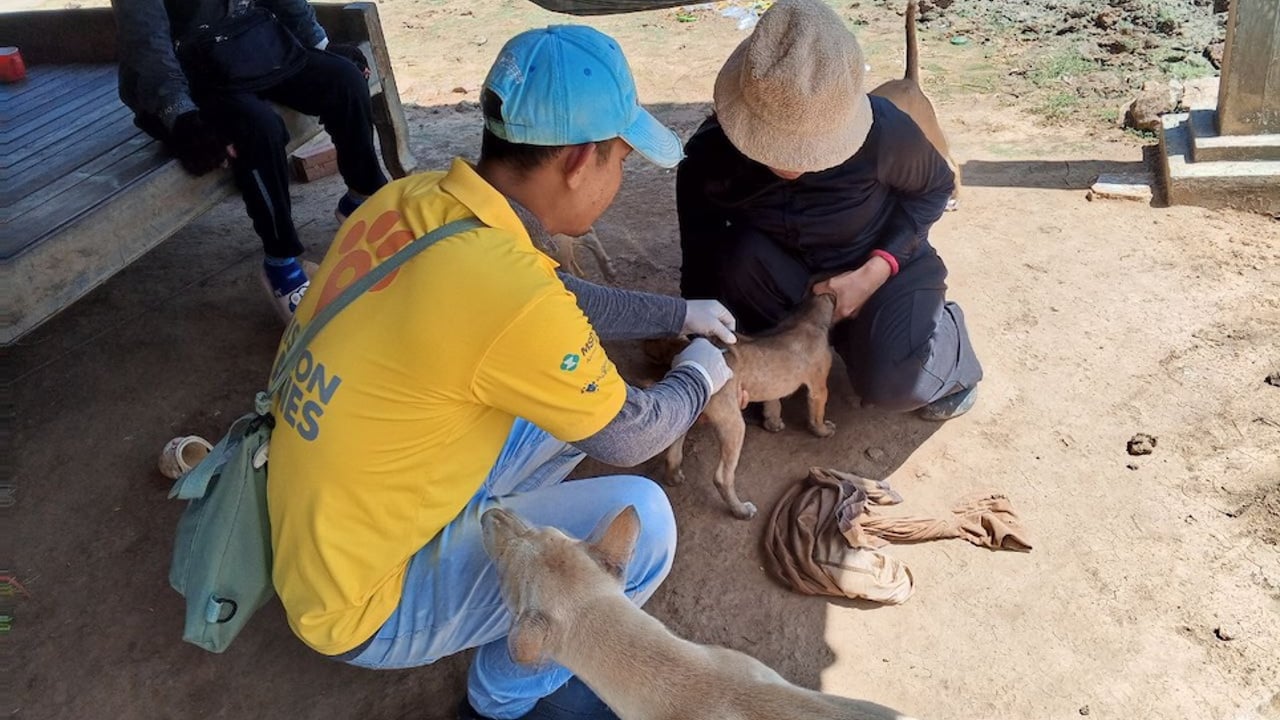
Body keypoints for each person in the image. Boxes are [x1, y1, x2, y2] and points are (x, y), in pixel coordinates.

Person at [265, 25, 738, 720]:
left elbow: (557, 301)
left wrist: (678, 314)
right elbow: (627, 438)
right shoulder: (506, 293)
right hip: (362, 599)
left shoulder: (417, 200)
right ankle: (503, 699)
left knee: (560, 393)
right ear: (581, 161)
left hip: (326, 525)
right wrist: (701, 374)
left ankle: (471, 541)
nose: (618, 179)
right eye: (621, 161)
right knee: (647, 522)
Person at [677, 0, 982, 420]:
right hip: (780, 275)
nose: (793, 161)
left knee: (895, 385)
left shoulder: (886, 132)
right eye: (775, 143)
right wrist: (709, 349)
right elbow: (697, 261)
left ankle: (943, 340)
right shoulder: (708, 157)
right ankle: (807, 342)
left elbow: (934, 189)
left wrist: (875, 271)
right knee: (733, 260)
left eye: (811, 145)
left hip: (876, 265)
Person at [112, 0, 389, 318]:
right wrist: (182, 117)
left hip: (244, 46)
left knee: (345, 80)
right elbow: (147, 44)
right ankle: (281, 263)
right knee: (259, 128)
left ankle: (361, 198)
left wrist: (321, 45)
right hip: (182, 75)